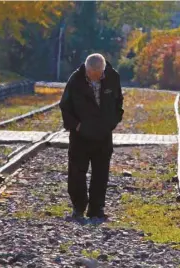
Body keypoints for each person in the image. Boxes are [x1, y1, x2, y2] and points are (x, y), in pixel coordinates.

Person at [59, 53, 124, 221]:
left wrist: (112, 122)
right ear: (86, 69)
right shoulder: (76, 80)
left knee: (101, 174)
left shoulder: (112, 77)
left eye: (98, 74)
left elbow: (118, 102)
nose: (95, 77)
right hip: (80, 136)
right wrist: (76, 125)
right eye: (92, 74)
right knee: (77, 173)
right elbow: (65, 106)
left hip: (103, 135)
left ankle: (96, 209)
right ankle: (78, 208)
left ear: (103, 70)